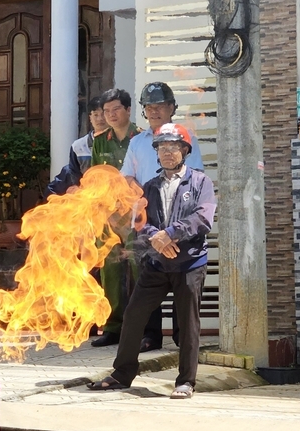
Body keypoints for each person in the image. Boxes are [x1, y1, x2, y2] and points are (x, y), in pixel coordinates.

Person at [87, 123, 216, 399]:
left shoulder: (201, 182)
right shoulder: (150, 186)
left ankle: (186, 381)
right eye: (162, 148)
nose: (167, 153)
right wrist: (156, 238)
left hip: (189, 264)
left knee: (188, 323)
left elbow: (203, 219)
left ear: (185, 151)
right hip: (156, 264)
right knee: (134, 315)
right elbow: (138, 223)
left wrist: (169, 235)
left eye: (173, 147)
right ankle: (122, 373)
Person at [120, 82, 205, 351]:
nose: (154, 111)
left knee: (183, 278)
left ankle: (182, 336)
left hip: (179, 217)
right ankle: (150, 335)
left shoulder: (185, 138)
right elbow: (127, 177)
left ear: (171, 108)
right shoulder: (136, 143)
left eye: (159, 106)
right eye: (149, 107)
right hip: (148, 219)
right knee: (147, 276)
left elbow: (195, 176)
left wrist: (172, 232)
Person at [89, 88, 142, 348]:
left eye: (116, 110)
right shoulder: (100, 142)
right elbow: (95, 177)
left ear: (128, 110)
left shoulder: (141, 138)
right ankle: (113, 327)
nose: (110, 115)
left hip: (136, 215)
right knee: (110, 270)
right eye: (106, 111)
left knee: (140, 269)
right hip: (110, 215)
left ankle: (143, 328)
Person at [45, 96, 109, 197]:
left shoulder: (122, 144)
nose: (100, 119)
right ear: (90, 118)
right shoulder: (78, 146)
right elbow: (74, 176)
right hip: (86, 201)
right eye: (95, 115)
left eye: (103, 114)